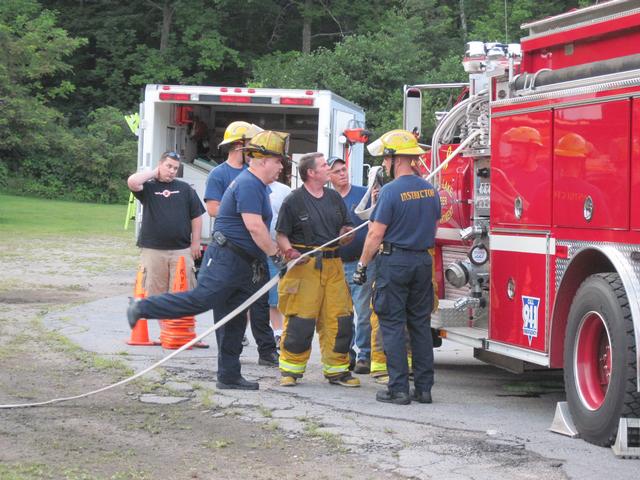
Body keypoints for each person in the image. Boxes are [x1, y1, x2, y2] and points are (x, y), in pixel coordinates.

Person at [128, 131, 289, 390]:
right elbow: (255, 227)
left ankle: (229, 375)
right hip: (227, 258)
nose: (281, 166)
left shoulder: (255, 184)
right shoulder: (249, 184)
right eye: (278, 161)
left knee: (233, 318)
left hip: (242, 262)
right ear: (261, 160)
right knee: (200, 299)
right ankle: (141, 308)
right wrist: (276, 256)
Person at [354, 129, 441, 405]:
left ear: (395, 159)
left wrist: (361, 265)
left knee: (391, 324)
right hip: (422, 262)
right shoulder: (430, 189)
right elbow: (434, 224)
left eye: (386, 159)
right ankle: (424, 389)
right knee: (419, 324)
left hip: (395, 262)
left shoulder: (391, 191)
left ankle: (399, 389)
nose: (384, 165)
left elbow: (375, 234)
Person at [275, 152, 359, 388]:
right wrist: (290, 252)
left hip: (334, 266)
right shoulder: (293, 201)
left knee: (339, 319)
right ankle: (290, 369)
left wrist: (347, 234)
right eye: (324, 166)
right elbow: (281, 234)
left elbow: (347, 226)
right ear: (311, 173)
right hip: (305, 267)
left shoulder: (333, 198)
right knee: (301, 320)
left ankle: (338, 370)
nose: (328, 169)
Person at [204, 121, 279, 367]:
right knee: (231, 305)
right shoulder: (221, 174)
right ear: (240, 145)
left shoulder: (256, 174)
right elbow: (213, 208)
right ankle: (229, 361)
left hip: (256, 249)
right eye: (253, 143)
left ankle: (266, 351)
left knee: (261, 302)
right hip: (235, 249)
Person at [127, 150, 205, 300]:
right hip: (153, 250)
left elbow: (196, 216)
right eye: (168, 166)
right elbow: (132, 182)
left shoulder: (185, 189)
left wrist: (196, 242)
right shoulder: (148, 188)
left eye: (175, 168)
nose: (172, 171)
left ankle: (175, 323)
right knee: (154, 295)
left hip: (181, 250)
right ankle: (159, 323)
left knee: (182, 295)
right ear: (160, 165)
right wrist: (154, 173)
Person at [327, 155, 374, 374]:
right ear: (328, 176)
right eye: (336, 171)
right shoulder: (327, 199)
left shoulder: (364, 193)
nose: (342, 173)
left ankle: (365, 354)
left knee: (363, 311)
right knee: (343, 313)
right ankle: (348, 354)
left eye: (344, 169)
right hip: (336, 264)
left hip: (361, 262)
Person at [266, 173, 292, 348]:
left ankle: (279, 333)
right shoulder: (253, 187)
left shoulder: (285, 191)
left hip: (277, 249)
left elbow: (290, 220)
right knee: (257, 295)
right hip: (254, 248)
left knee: (278, 295)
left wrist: (286, 247)